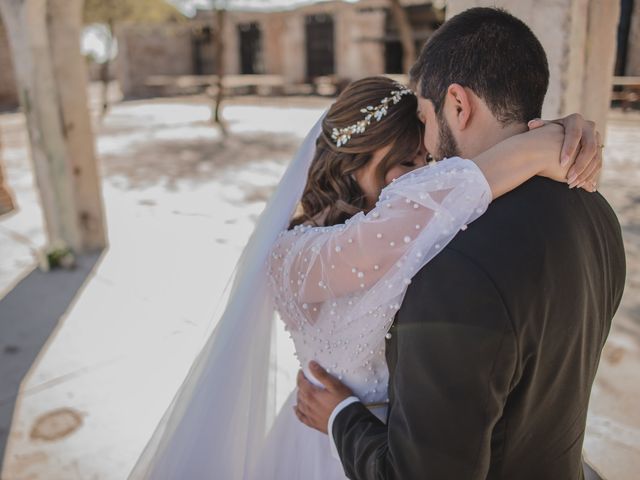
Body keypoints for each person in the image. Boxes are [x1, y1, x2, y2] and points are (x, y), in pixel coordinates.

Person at [294, 8, 626, 480]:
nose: (428, 151)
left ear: (458, 104)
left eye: (426, 119)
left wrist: (341, 416)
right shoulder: (596, 211)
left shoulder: (450, 263)